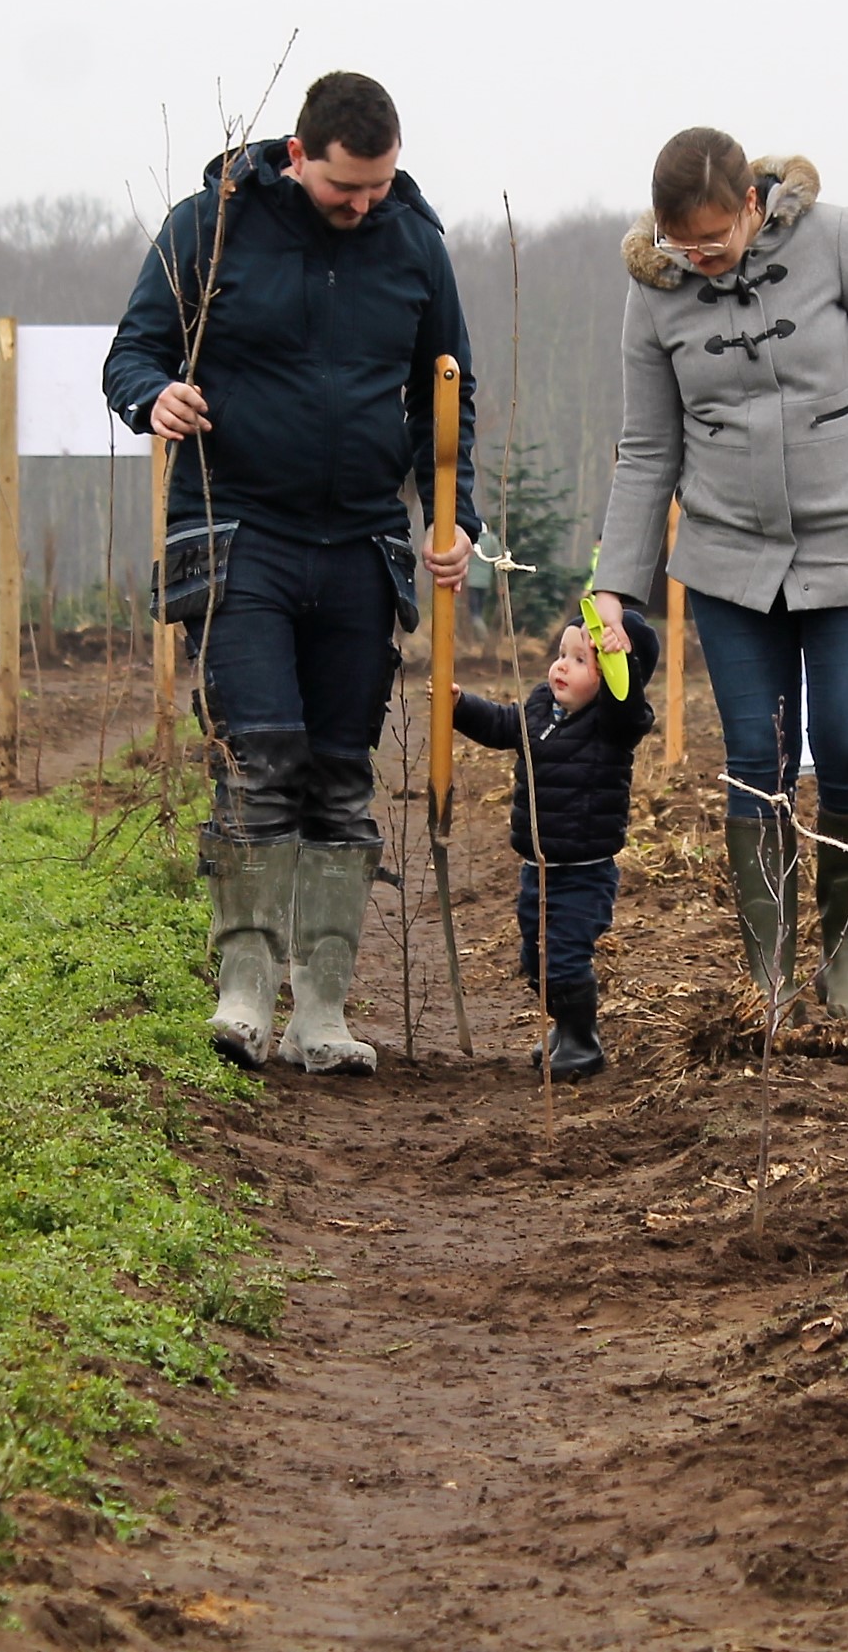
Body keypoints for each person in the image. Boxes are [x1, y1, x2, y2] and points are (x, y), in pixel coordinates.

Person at [104, 71, 477, 1076]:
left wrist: (458, 518)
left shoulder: (415, 245)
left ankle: (320, 1008)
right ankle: (240, 992)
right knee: (258, 756)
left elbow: (449, 397)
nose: (364, 206)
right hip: (240, 532)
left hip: (362, 544)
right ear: (298, 156)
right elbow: (130, 355)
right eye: (345, 188)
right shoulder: (209, 226)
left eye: (380, 187)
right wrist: (158, 396)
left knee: (340, 778)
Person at [587, 132, 848, 1026]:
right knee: (758, 763)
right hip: (728, 557)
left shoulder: (836, 239)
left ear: (751, 202)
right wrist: (613, 588)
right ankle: (771, 973)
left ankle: (845, 953)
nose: (699, 261)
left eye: (714, 242)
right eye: (682, 247)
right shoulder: (651, 291)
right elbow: (646, 447)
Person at [451, 607, 662, 1080]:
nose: (561, 666)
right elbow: (503, 725)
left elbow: (628, 705)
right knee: (535, 957)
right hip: (538, 866)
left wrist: (620, 663)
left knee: (565, 955)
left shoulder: (614, 724)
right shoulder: (542, 707)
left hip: (585, 871)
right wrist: (462, 706)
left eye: (580, 660)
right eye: (561, 654)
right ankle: (565, 1027)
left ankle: (582, 1042)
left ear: (611, 678)